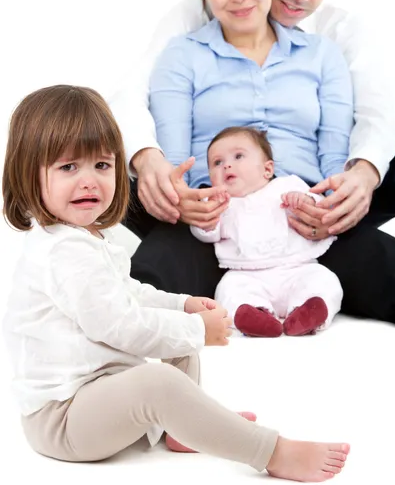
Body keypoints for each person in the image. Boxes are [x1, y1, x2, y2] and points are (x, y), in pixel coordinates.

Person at [1, 84, 351, 481]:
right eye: (68, 167)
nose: (89, 182)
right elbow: (118, 325)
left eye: (101, 165)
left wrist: (182, 305)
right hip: (62, 420)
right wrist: (195, 329)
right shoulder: (63, 252)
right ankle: (270, 451)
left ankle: (183, 427)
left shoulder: (87, 237)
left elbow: (128, 294)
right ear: (30, 174)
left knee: (176, 347)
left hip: (97, 395)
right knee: (161, 376)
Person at [110, 0, 395, 325]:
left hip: (303, 213)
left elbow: (370, 122)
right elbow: (136, 109)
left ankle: (307, 275)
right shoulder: (186, 39)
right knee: (144, 270)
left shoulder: (327, 47)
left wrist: (344, 190)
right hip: (217, 214)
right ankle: (238, 276)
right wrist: (169, 181)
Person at [191, 127, 343, 338]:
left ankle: (310, 312)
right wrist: (208, 219)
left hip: (297, 268)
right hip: (246, 274)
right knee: (228, 289)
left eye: (238, 156)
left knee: (325, 280)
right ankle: (254, 316)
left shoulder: (288, 185)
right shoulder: (219, 204)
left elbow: (318, 208)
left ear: (267, 169)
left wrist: (304, 201)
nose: (226, 165)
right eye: (217, 162)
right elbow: (205, 233)